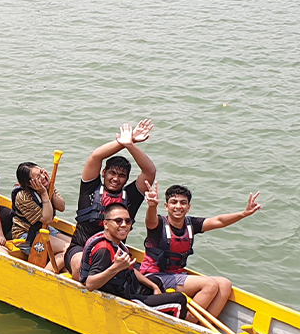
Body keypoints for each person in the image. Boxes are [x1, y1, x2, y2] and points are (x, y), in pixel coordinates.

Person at [140, 182, 261, 319]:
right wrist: (152, 206)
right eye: (174, 202)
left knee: (225, 284)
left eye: (183, 203)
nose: (178, 206)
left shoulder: (191, 224)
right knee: (210, 285)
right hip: (154, 277)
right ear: (166, 206)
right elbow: (150, 220)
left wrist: (244, 214)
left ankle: (204, 326)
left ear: (188, 207)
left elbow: (219, 221)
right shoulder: (158, 224)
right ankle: (189, 322)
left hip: (175, 275)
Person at [65, 120, 156, 281]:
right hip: (79, 248)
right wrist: (124, 142)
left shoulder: (131, 196)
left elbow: (149, 171)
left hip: (114, 253)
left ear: (127, 178)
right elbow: (96, 156)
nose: (115, 179)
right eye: (112, 173)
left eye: (121, 176)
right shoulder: (90, 188)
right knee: (80, 268)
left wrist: (131, 145)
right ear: (103, 172)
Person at [81, 203, 187, 319]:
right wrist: (116, 267)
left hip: (130, 286)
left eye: (128, 221)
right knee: (179, 300)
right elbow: (90, 285)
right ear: (106, 224)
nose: (124, 225)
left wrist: (154, 287)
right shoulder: (104, 250)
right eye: (118, 221)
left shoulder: (116, 243)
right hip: (125, 297)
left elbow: (129, 267)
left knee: (156, 281)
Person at [11, 162, 67, 272]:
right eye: (37, 177)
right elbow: (48, 219)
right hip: (26, 236)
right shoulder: (23, 197)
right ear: (29, 184)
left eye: (42, 172)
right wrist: (44, 193)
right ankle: (45, 275)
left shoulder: (46, 185)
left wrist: (50, 187)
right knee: (69, 250)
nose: (42, 177)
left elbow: (61, 207)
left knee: (76, 245)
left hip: (45, 229)